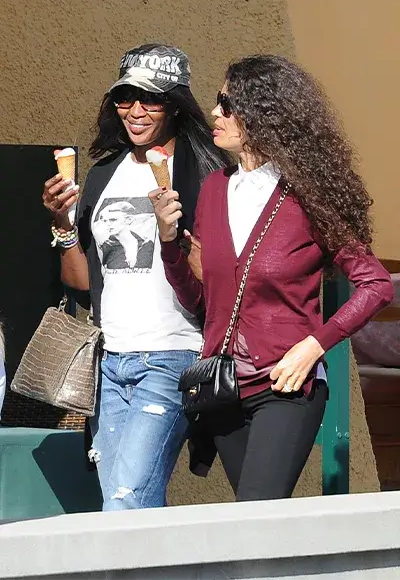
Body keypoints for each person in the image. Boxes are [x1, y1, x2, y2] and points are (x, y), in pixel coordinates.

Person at [151, 54, 394, 502]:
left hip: (286, 384)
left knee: (259, 509)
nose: (215, 113)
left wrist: (314, 345)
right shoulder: (214, 190)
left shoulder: (306, 194)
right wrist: (168, 243)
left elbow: (376, 285)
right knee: (255, 525)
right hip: (222, 388)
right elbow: (198, 299)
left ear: (264, 113)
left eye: (228, 103)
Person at [42, 43, 230, 510]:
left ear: (175, 104)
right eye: (125, 98)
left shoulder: (206, 170)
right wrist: (63, 226)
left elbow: (220, 276)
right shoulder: (104, 174)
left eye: (151, 99)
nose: (136, 111)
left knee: (127, 501)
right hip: (111, 361)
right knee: (121, 502)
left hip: (171, 354)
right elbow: (84, 282)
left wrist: (175, 235)